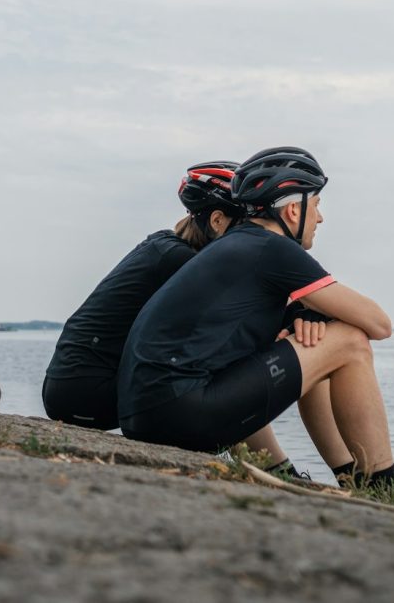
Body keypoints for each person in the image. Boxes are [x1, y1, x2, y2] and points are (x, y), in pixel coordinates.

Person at [118, 146, 394, 503]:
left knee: (315, 344)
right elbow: (379, 324)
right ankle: (384, 494)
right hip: (180, 412)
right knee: (349, 340)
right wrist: (317, 312)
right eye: (316, 205)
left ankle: (351, 480)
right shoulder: (272, 248)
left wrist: (309, 319)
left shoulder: (236, 245)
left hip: (149, 414)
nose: (319, 218)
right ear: (293, 209)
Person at [41, 161, 244, 430]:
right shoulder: (180, 261)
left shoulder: (165, 247)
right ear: (218, 221)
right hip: (88, 396)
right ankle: (275, 465)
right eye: (244, 226)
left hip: (68, 390)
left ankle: (271, 463)